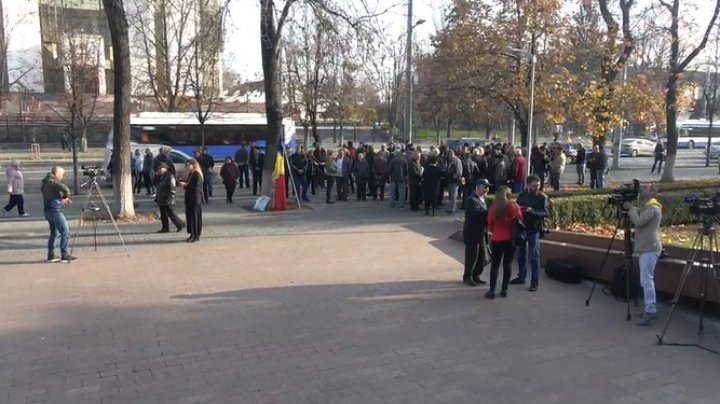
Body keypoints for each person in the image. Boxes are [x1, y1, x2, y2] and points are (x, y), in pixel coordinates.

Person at [623, 183, 663, 326]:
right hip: (645, 248)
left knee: (647, 280)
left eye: (645, 188)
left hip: (650, 248)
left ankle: (651, 311)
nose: (641, 189)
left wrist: (631, 209)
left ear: (652, 193)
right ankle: (648, 308)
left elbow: (639, 222)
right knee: (644, 280)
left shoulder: (653, 208)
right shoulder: (646, 206)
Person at [511, 175, 549, 291]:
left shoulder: (542, 197)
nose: (537, 187)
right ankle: (521, 276)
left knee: (534, 255)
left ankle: (534, 281)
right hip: (523, 227)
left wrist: (532, 212)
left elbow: (545, 213)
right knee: (521, 253)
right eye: (534, 186)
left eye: (538, 185)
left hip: (534, 228)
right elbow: (516, 209)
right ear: (528, 185)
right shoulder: (522, 195)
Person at [486, 186, 523, 299]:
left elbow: (490, 224)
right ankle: (504, 289)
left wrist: (496, 231)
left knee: (495, 266)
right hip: (510, 239)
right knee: (507, 265)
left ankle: (492, 290)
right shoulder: (514, 207)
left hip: (497, 238)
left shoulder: (494, 208)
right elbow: (520, 221)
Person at [41, 166, 76, 263]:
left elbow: (50, 197)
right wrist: (66, 196)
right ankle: (64, 255)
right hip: (55, 212)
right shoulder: (54, 183)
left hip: (48, 211)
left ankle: (51, 255)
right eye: (62, 174)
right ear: (56, 174)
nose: (62, 176)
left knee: (54, 233)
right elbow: (64, 188)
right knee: (65, 232)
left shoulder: (45, 183)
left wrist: (62, 201)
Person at [463, 178, 490, 286]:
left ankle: (476, 274)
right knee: (471, 255)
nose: (487, 190)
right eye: (485, 187)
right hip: (471, 232)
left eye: (487, 187)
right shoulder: (471, 200)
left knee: (483, 255)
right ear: (478, 187)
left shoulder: (483, 199)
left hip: (481, 232)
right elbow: (476, 214)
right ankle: (467, 276)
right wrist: (489, 212)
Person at [155, 162, 185, 233]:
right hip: (161, 199)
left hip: (168, 199)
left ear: (165, 168)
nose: (159, 170)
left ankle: (180, 224)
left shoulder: (169, 176)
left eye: (160, 168)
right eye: (158, 169)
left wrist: (169, 197)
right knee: (163, 215)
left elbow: (172, 188)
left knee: (171, 214)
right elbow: (157, 185)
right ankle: (165, 228)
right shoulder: (161, 176)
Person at [179, 159, 204, 243]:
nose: (187, 167)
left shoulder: (197, 174)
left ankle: (196, 235)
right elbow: (189, 185)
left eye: (189, 165)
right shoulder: (191, 174)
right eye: (187, 165)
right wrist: (184, 184)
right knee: (190, 217)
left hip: (195, 198)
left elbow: (196, 187)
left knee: (195, 217)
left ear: (193, 165)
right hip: (189, 198)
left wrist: (186, 185)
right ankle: (192, 233)